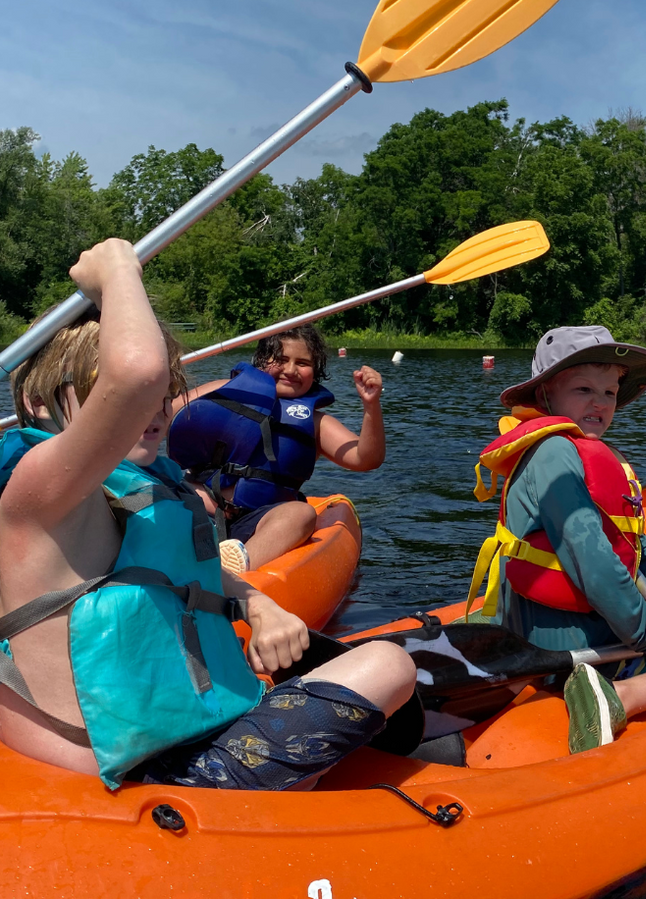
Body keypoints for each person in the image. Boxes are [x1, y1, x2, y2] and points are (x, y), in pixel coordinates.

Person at [0, 239, 415, 790]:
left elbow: (183, 575)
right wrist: (119, 267)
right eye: (104, 390)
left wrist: (260, 604)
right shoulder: (36, 492)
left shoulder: (141, 490)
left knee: (386, 666)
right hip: (145, 774)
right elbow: (138, 372)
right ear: (37, 402)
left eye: (167, 389)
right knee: (390, 667)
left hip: (194, 737)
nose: (153, 405)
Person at [466, 326, 646, 754]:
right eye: (583, 389)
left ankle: (608, 681)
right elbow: (589, 558)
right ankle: (618, 698)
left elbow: (638, 545)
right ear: (546, 397)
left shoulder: (586, 453)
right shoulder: (555, 454)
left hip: (564, 641)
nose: (599, 402)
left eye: (609, 393)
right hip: (563, 653)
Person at [168, 324, 384, 574]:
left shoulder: (315, 423)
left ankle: (233, 572)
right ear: (261, 361)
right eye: (281, 359)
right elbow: (160, 418)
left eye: (303, 363)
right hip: (202, 506)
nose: (291, 370)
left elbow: (365, 458)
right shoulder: (224, 392)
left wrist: (371, 406)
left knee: (301, 514)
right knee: (164, 485)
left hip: (260, 523)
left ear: (316, 371)